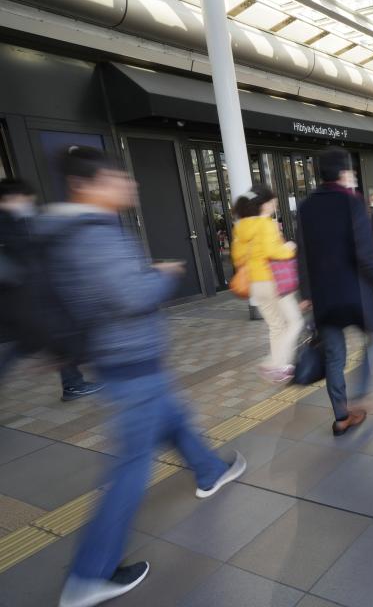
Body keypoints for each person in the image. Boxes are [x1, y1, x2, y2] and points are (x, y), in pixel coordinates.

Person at [44, 147, 245, 607]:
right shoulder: (94, 234)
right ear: (86, 186)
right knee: (132, 468)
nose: (126, 183)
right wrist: (162, 274)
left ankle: (211, 469)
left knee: (173, 418)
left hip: (125, 361)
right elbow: (130, 295)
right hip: (129, 362)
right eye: (114, 176)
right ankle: (89, 575)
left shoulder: (73, 231)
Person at [298, 147, 373, 436]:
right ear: (343, 172)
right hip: (356, 296)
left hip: (324, 298)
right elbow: (365, 254)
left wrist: (306, 293)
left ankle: (341, 416)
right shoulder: (353, 203)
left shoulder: (306, 206)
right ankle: (361, 393)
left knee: (334, 358)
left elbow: (301, 255)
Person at [0, 178, 103, 401]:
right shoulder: (10, 224)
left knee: (45, 343)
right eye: (26, 198)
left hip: (24, 304)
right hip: (25, 303)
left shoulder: (17, 222)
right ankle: (74, 384)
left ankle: (73, 383)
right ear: (10, 198)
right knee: (53, 339)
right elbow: (27, 261)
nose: (29, 203)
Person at [231, 187, 303, 384]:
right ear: (262, 204)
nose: (274, 205)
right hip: (273, 281)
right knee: (295, 322)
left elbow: (237, 258)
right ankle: (275, 363)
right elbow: (274, 252)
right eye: (272, 202)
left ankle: (276, 365)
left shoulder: (240, 228)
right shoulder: (266, 224)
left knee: (276, 325)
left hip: (255, 284)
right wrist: (289, 248)